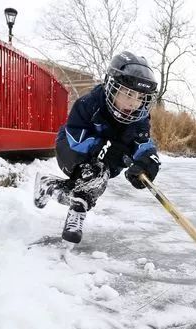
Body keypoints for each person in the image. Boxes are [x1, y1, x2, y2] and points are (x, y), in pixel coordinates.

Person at [34, 51, 161, 243]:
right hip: (71, 149)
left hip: (105, 161)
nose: (133, 102)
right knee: (94, 173)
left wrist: (148, 159)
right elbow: (75, 136)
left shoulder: (140, 117)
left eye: (140, 97)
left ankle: (49, 186)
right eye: (128, 93)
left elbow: (143, 143)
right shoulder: (89, 104)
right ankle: (77, 213)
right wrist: (103, 147)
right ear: (111, 86)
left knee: (96, 178)